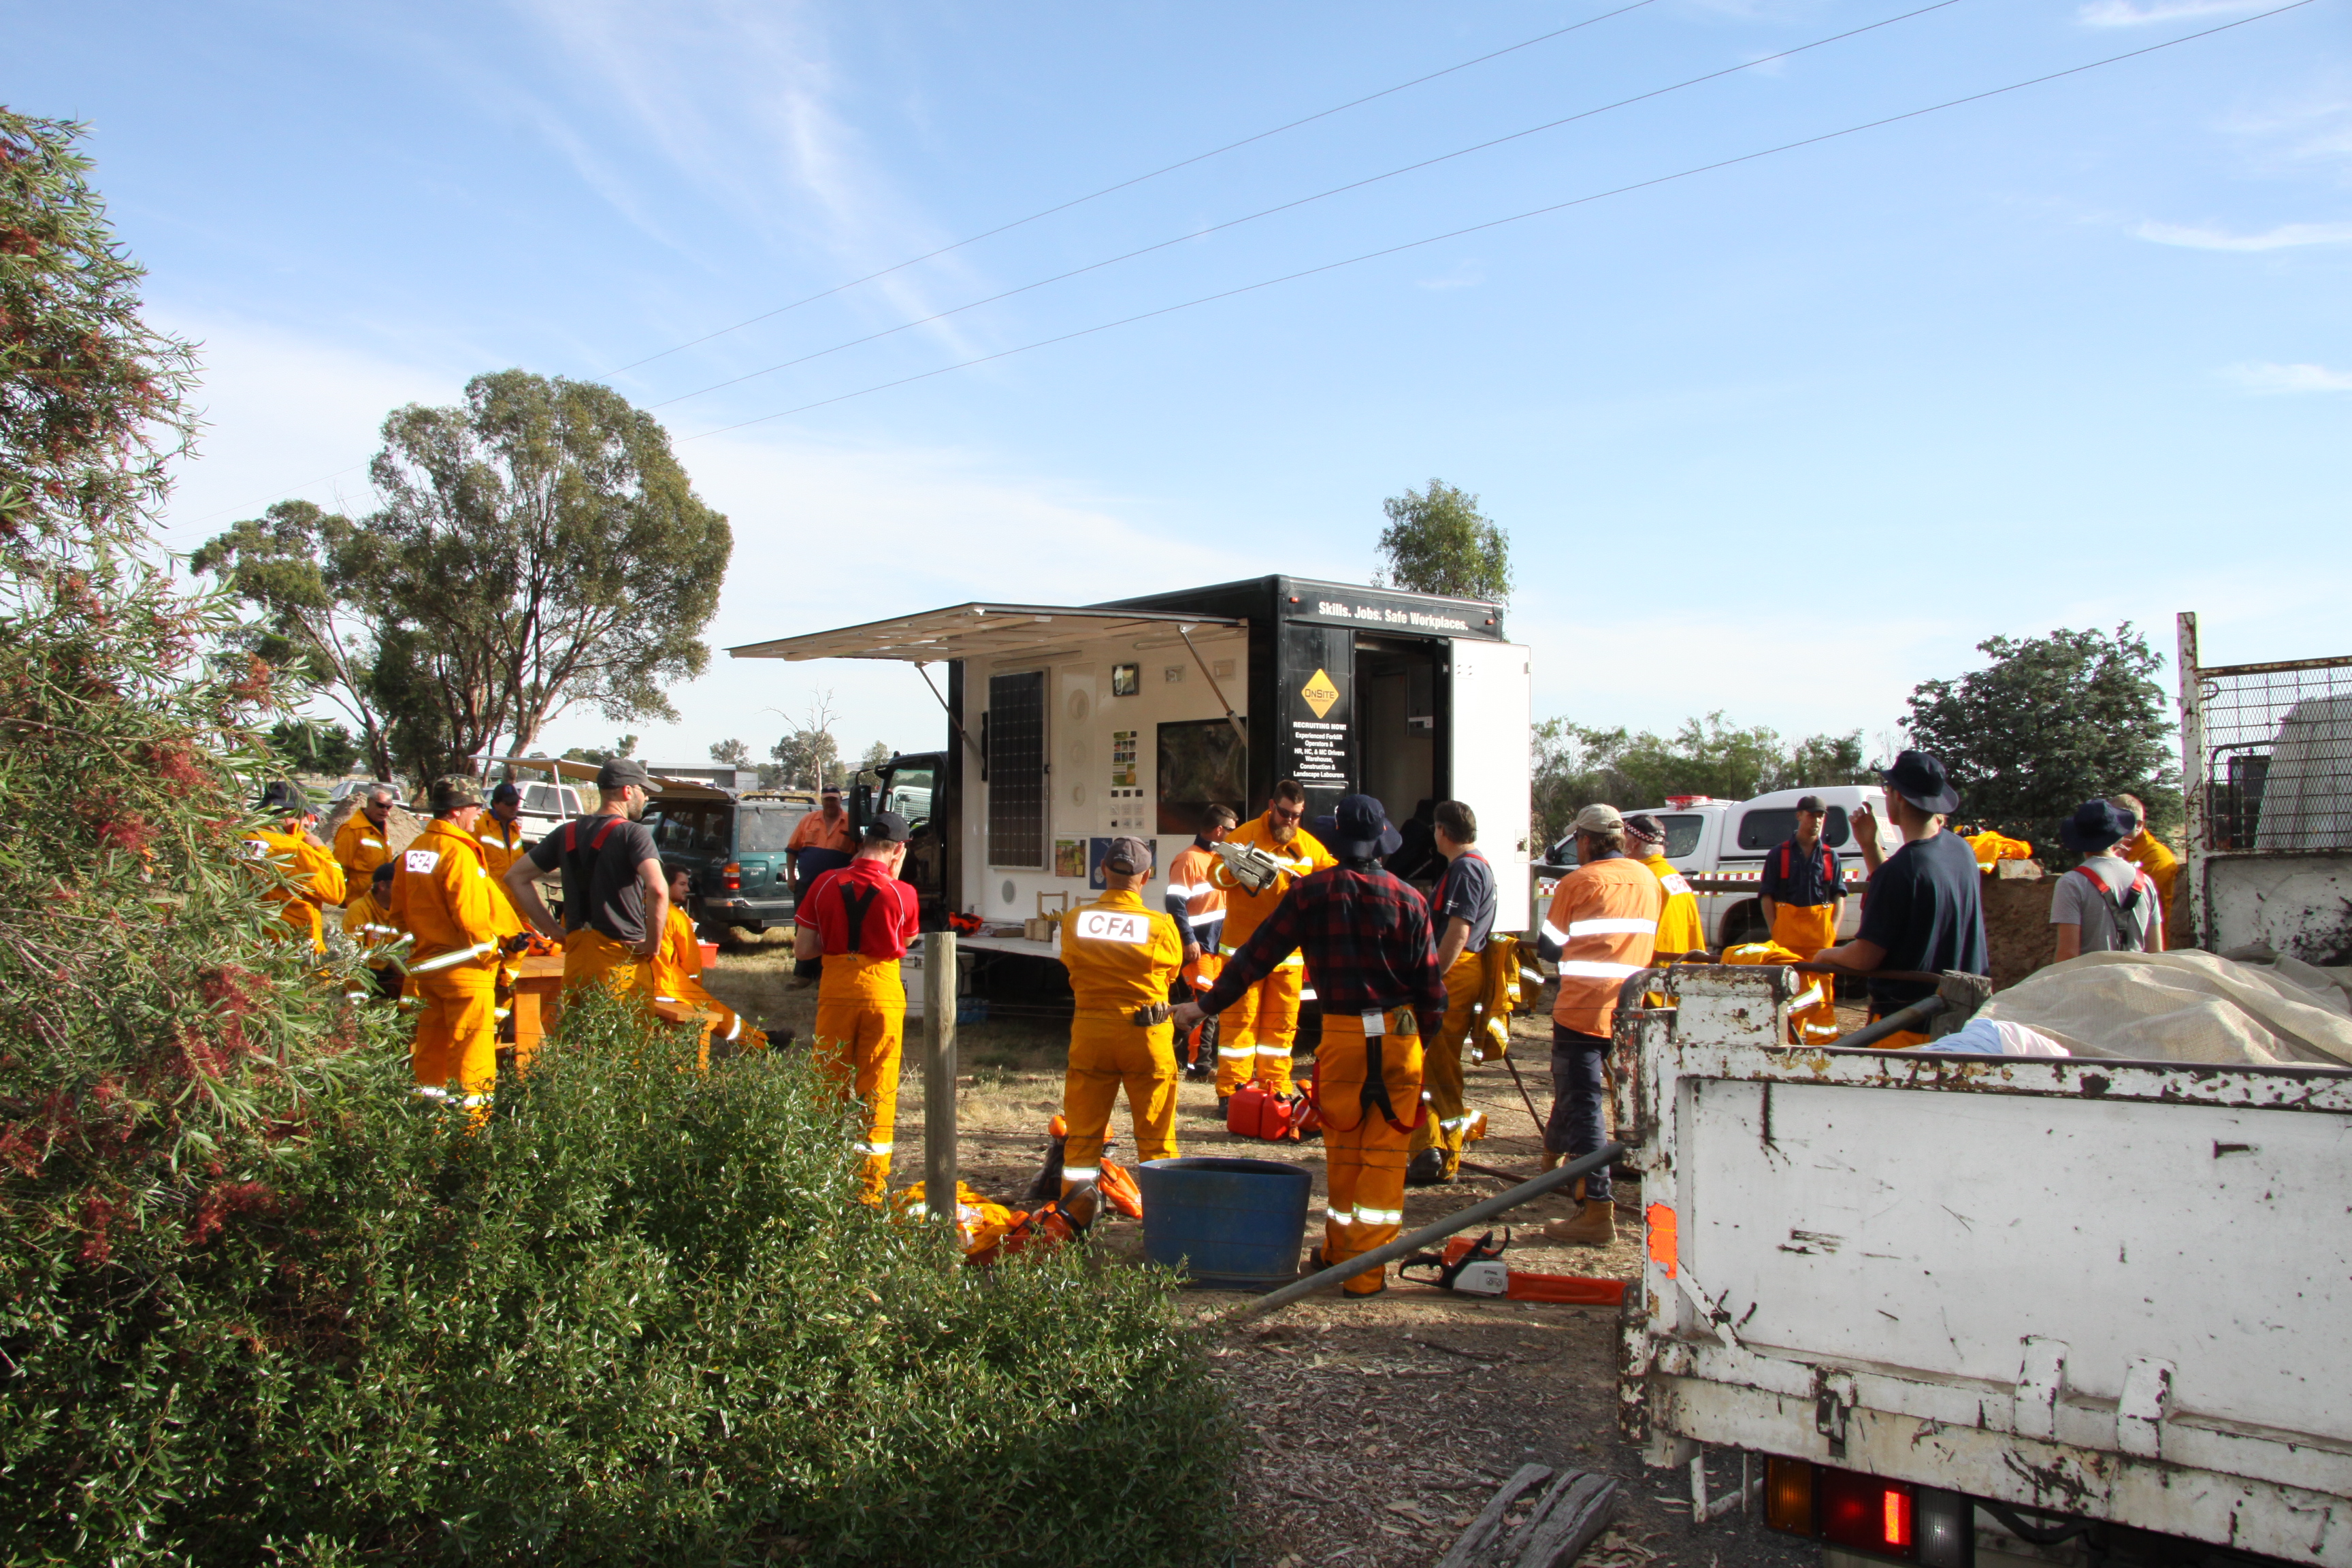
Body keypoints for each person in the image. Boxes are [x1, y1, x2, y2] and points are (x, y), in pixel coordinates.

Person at [1174, 794, 1444, 1298]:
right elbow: (1433, 993)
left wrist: (1203, 1008)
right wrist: (1416, 1045)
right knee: (1385, 1159)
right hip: (1399, 1035)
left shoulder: (1312, 894)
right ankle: (1364, 1271)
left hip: (1342, 1038)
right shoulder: (1410, 899)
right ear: (1382, 841)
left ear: (1337, 842)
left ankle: (1339, 1253)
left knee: (1342, 1148)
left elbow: (1255, 957)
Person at [1534, 804, 1661, 1246]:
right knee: (1582, 1094)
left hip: (1582, 1012)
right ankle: (1552, 1164)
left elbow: (1550, 948)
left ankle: (1596, 1209)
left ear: (1586, 841)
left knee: (1584, 1104)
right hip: (1629, 1011)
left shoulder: (1578, 882)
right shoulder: (1649, 880)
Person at [1817, 751, 1989, 1048]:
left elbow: (1864, 957)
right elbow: (1903, 897)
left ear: (1896, 797)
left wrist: (1825, 956)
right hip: (1964, 1022)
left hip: (1907, 1027)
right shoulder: (1961, 851)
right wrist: (1870, 845)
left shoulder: (1903, 869)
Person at [794, 811, 921, 1201]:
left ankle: (819, 1175)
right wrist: (893, 884)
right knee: (878, 1086)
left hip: (835, 986)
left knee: (827, 1081)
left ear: (861, 843)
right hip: (882, 990)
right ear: (898, 850)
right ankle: (870, 1186)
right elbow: (907, 941)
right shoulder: (903, 893)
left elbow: (804, 949)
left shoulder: (824, 882)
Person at [1059, 836, 1185, 1194]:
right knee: (1157, 1137)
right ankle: (1166, 1221)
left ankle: (1073, 1222)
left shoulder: (1075, 920)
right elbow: (1171, 976)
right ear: (1146, 878)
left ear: (1102, 871)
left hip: (1091, 1034)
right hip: (1147, 1035)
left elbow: (1070, 964)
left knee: (1083, 1136)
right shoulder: (1161, 926)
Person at [1209, 779, 1336, 1103]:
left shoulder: (1308, 846)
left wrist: (1312, 886)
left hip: (1288, 958)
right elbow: (1214, 876)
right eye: (1284, 814)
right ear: (1271, 806)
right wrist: (1236, 871)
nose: (1290, 821)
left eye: (1296, 815)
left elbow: (1334, 877)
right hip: (1243, 953)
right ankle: (1231, 1094)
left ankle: (1275, 1091)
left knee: (1280, 1030)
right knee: (1239, 1025)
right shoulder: (1243, 837)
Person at [504, 760, 668, 1000]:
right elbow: (658, 889)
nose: (645, 797)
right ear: (628, 791)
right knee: (629, 1036)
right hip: (621, 963)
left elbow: (515, 877)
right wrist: (653, 945)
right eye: (643, 790)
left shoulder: (566, 832)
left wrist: (552, 930)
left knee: (579, 1036)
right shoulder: (633, 833)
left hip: (577, 962)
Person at [391, 777, 507, 1108]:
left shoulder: (414, 850)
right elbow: (470, 916)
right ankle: (470, 1135)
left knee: (431, 1053)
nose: (478, 815)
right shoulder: (459, 852)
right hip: (465, 972)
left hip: (426, 971)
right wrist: (494, 951)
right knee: (472, 1059)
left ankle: (429, 1127)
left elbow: (397, 912)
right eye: (475, 808)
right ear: (457, 811)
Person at [1405, 800, 1497, 1188]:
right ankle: (1431, 1150)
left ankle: (1449, 1155)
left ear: (1443, 831)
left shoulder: (1466, 870)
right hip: (1455, 972)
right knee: (1427, 1065)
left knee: (1442, 1068)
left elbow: (1458, 932)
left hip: (1455, 974)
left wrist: (1433, 980)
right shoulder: (1468, 868)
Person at [647, 866, 769, 1059]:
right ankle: (760, 1045)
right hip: (667, 987)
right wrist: (695, 987)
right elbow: (692, 964)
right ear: (664, 884)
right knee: (717, 1013)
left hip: (638, 984)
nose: (687, 889)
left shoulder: (636, 910)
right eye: (682, 884)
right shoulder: (676, 917)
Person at [1162, 804, 1237, 1081]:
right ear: (1219, 830)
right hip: (1200, 947)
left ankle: (1169, 1041)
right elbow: (1174, 903)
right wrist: (1188, 940)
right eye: (1231, 830)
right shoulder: (1189, 860)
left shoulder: (1219, 858)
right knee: (1206, 1006)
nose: (1234, 835)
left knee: (1207, 1007)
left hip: (1218, 946)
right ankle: (1199, 1069)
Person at [2051, 799, 2166, 960]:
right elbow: (2156, 951)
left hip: (2092, 981)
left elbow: (2068, 954)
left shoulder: (2072, 883)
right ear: (2118, 836)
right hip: (2135, 979)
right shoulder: (2145, 881)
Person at [241, 781, 346, 952]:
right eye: (305, 815)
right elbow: (337, 892)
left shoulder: (240, 839)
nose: (307, 822)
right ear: (290, 815)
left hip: (247, 948)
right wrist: (321, 849)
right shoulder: (294, 851)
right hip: (295, 951)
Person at [1757, 795, 1845, 959]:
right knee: (1787, 982)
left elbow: (1838, 895)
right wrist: (1774, 928)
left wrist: (1832, 931)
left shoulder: (1830, 856)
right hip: (1786, 937)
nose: (1817, 821)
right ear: (1799, 816)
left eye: (1821, 816)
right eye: (1812, 815)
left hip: (1820, 939)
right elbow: (1766, 895)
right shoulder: (1778, 854)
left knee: (1819, 983)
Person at [1625, 813, 1706, 959]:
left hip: (1656, 966)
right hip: (1681, 963)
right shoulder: (1672, 875)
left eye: (1624, 838)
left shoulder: (1643, 878)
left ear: (1635, 842)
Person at [2107, 792, 2181, 936]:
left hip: (2143, 941)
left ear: (2139, 825)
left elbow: (2132, 902)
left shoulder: (2157, 856)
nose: (2110, 827)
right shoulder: (2112, 848)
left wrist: (2113, 863)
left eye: (2118, 821)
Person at [340, 861, 406, 1002]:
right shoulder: (358, 909)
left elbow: (406, 946)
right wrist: (390, 962)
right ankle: (353, 1019)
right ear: (382, 886)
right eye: (398, 884)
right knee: (357, 984)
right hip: (362, 970)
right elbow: (353, 953)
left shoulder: (401, 911)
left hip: (389, 970)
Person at [331, 784, 398, 902]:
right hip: (357, 898)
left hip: (378, 897)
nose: (385, 811)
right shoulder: (352, 829)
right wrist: (341, 896)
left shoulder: (381, 828)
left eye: (389, 807)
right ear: (369, 802)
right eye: (380, 806)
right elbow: (340, 865)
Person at [787, 785, 859, 892]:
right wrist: (791, 877)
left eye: (833, 799)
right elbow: (792, 850)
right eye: (827, 800)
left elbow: (862, 852)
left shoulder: (851, 822)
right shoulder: (808, 819)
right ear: (822, 800)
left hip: (838, 888)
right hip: (807, 886)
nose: (830, 803)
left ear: (840, 800)